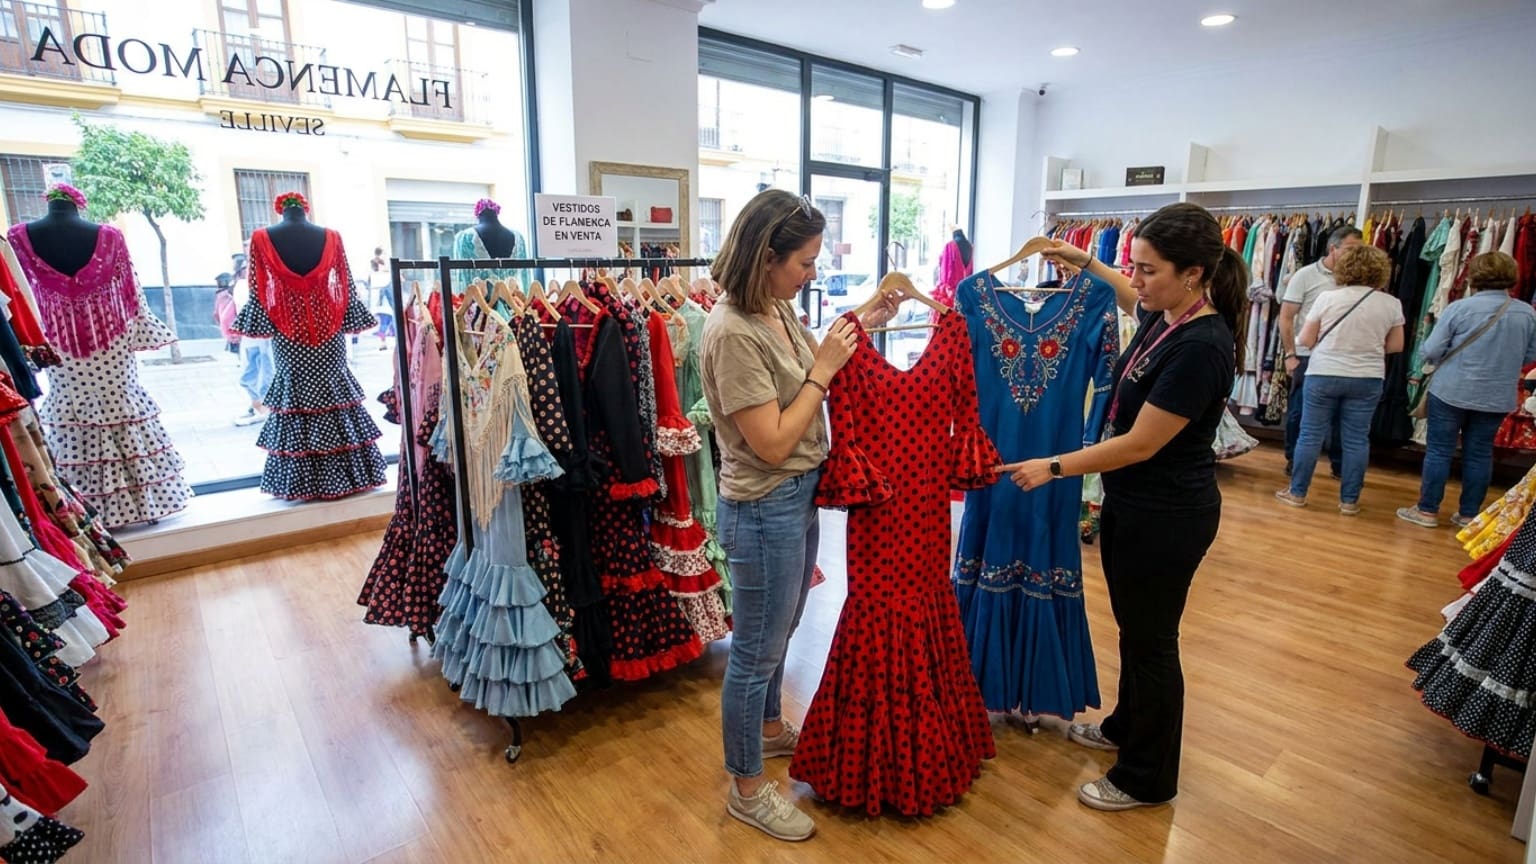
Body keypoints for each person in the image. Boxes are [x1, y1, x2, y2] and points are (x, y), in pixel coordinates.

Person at [999, 202, 1248, 811]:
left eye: (1146, 269)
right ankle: (1121, 729)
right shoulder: (1169, 315)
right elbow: (1127, 296)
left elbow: (1141, 444)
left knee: (1152, 642)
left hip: (1168, 515)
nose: (1134, 279)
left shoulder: (1201, 345)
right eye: (1132, 266)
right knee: (1137, 634)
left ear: (1191, 274)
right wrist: (1086, 261)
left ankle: (1147, 777)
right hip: (1139, 508)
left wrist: (1052, 466)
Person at [699, 189, 898, 841]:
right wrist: (823, 372)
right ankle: (747, 788)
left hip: (796, 494)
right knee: (755, 650)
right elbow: (774, 440)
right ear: (767, 258)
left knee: (782, 628)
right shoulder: (732, 332)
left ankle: (768, 730)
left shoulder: (776, 308)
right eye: (804, 261)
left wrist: (869, 315)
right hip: (764, 504)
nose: (812, 273)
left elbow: (811, 372)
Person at [1399, 251, 1536, 529]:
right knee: (1479, 452)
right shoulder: (1527, 313)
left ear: (1475, 276)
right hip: (1497, 394)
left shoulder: (1459, 309)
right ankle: (1468, 514)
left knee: (1439, 450)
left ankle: (1427, 511)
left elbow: (1432, 350)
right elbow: (1529, 355)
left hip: (1452, 388)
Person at [1274, 245, 1404, 514]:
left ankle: (1297, 493)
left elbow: (1306, 340)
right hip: (1368, 376)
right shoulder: (1391, 303)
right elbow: (1395, 346)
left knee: (1310, 435)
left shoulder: (1328, 298)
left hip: (1324, 372)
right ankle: (1349, 501)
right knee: (1357, 438)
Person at [1278, 226, 1364, 477]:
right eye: (1350, 249)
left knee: (1342, 417)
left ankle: (1339, 464)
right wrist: (1290, 354)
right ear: (1333, 249)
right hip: (1307, 354)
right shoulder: (1305, 276)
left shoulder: (1360, 280)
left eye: (1360, 250)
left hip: (1346, 356)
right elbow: (1286, 317)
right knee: (1299, 412)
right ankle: (1294, 460)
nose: (1355, 255)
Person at [231, 252, 274, 426]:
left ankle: (261, 407)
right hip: (255, 335)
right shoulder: (244, 286)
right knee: (255, 371)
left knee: (259, 370)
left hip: (259, 336)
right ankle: (259, 405)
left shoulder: (256, 285)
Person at [212, 272, 239, 355]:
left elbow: (216, 314)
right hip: (233, 327)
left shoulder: (221, 295)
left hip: (229, 327)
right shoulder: (229, 295)